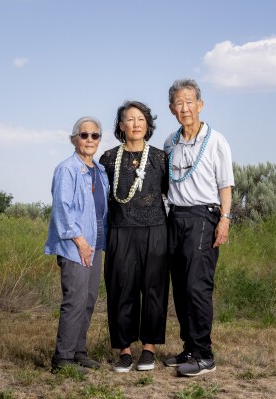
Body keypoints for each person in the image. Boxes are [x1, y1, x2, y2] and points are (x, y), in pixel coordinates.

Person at [162, 79, 234, 377]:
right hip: (174, 219)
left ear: (200, 105)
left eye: (189, 101)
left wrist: (225, 219)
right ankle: (189, 348)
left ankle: (204, 355)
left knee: (197, 287)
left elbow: (225, 184)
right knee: (179, 288)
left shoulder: (216, 140)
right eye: (179, 103)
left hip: (204, 217)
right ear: (171, 109)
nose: (185, 108)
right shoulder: (170, 142)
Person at [99, 101, 169, 372]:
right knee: (120, 289)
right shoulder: (108, 158)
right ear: (121, 126)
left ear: (148, 124)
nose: (136, 124)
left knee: (154, 289)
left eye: (141, 119)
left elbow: (167, 193)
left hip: (155, 230)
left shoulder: (161, 157)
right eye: (130, 119)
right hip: (120, 231)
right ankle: (125, 350)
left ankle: (149, 349)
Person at [44, 116, 109, 374]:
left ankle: (79, 352)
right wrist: (80, 241)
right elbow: (62, 210)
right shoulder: (67, 169)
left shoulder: (100, 171)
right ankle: (63, 359)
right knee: (75, 300)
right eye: (84, 135)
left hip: (96, 244)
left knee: (89, 299)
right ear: (74, 139)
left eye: (95, 135)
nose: (90, 140)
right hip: (75, 246)